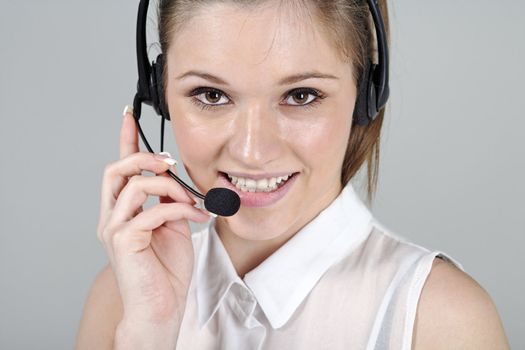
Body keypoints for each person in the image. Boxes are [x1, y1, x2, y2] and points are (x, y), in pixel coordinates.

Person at [75, 0, 510, 349]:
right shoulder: (122, 299)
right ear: (159, 95)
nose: (252, 150)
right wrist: (149, 333)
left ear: (366, 96)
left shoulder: (440, 322)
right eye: (211, 95)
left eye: (301, 96)